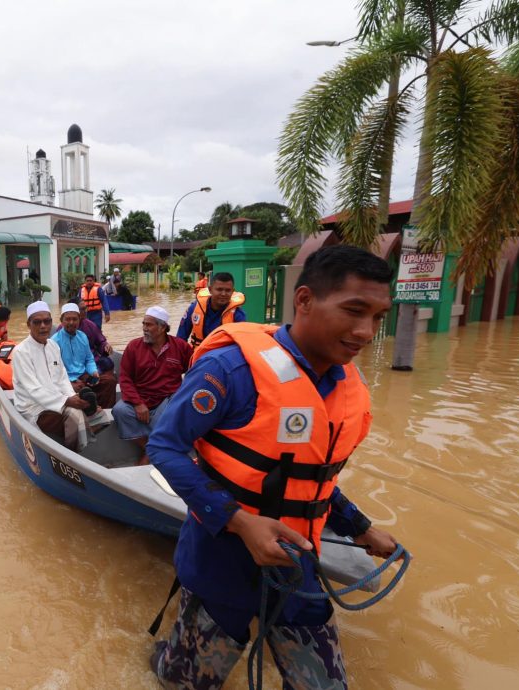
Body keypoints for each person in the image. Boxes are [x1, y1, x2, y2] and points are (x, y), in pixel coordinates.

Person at [148, 245, 401, 688]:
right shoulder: (230, 370)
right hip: (221, 558)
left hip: (295, 560)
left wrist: (359, 527)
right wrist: (241, 522)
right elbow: (165, 445)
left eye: (378, 317)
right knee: (183, 683)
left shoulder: (346, 384)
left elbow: (307, 476)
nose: (366, 332)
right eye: (354, 311)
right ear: (304, 300)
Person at [111, 306, 192, 466]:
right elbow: (125, 378)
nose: (144, 329)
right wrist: (137, 403)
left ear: (162, 328)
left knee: (171, 410)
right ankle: (152, 449)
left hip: (167, 399)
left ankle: (149, 454)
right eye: (143, 324)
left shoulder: (181, 347)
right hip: (141, 398)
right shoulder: (134, 347)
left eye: (149, 325)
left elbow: (194, 371)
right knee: (119, 410)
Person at [11, 301, 93, 451]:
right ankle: (73, 454)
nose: (43, 326)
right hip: (33, 407)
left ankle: (75, 447)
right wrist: (66, 401)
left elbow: (62, 378)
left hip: (57, 399)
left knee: (91, 411)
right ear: (28, 324)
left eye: (47, 321)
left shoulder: (53, 346)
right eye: (37, 322)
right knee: (75, 416)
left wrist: (71, 397)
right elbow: (33, 390)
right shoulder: (21, 352)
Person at [51, 303, 117, 409]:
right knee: (80, 389)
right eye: (67, 319)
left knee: (110, 381)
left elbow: (89, 359)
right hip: (66, 379)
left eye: (74, 319)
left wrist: (93, 372)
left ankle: (104, 410)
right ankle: (91, 412)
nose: (71, 322)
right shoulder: (54, 341)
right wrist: (70, 381)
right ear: (61, 321)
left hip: (84, 375)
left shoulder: (82, 336)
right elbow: (54, 369)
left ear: (79, 319)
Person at [176, 271, 247, 348]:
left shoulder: (238, 314)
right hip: (197, 355)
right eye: (219, 289)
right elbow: (180, 339)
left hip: (222, 357)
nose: (223, 294)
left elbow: (242, 344)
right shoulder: (194, 308)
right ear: (210, 289)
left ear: (232, 291)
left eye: (228, 290)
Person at [75, 305, 115, 374]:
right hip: (75, 362)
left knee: (108, 363)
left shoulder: (90, 325)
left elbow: (101, 341)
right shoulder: (62, 330)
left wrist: (106, 346)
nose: (86, 311)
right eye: (83, 309)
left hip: (91, 359)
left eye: (85, 308)